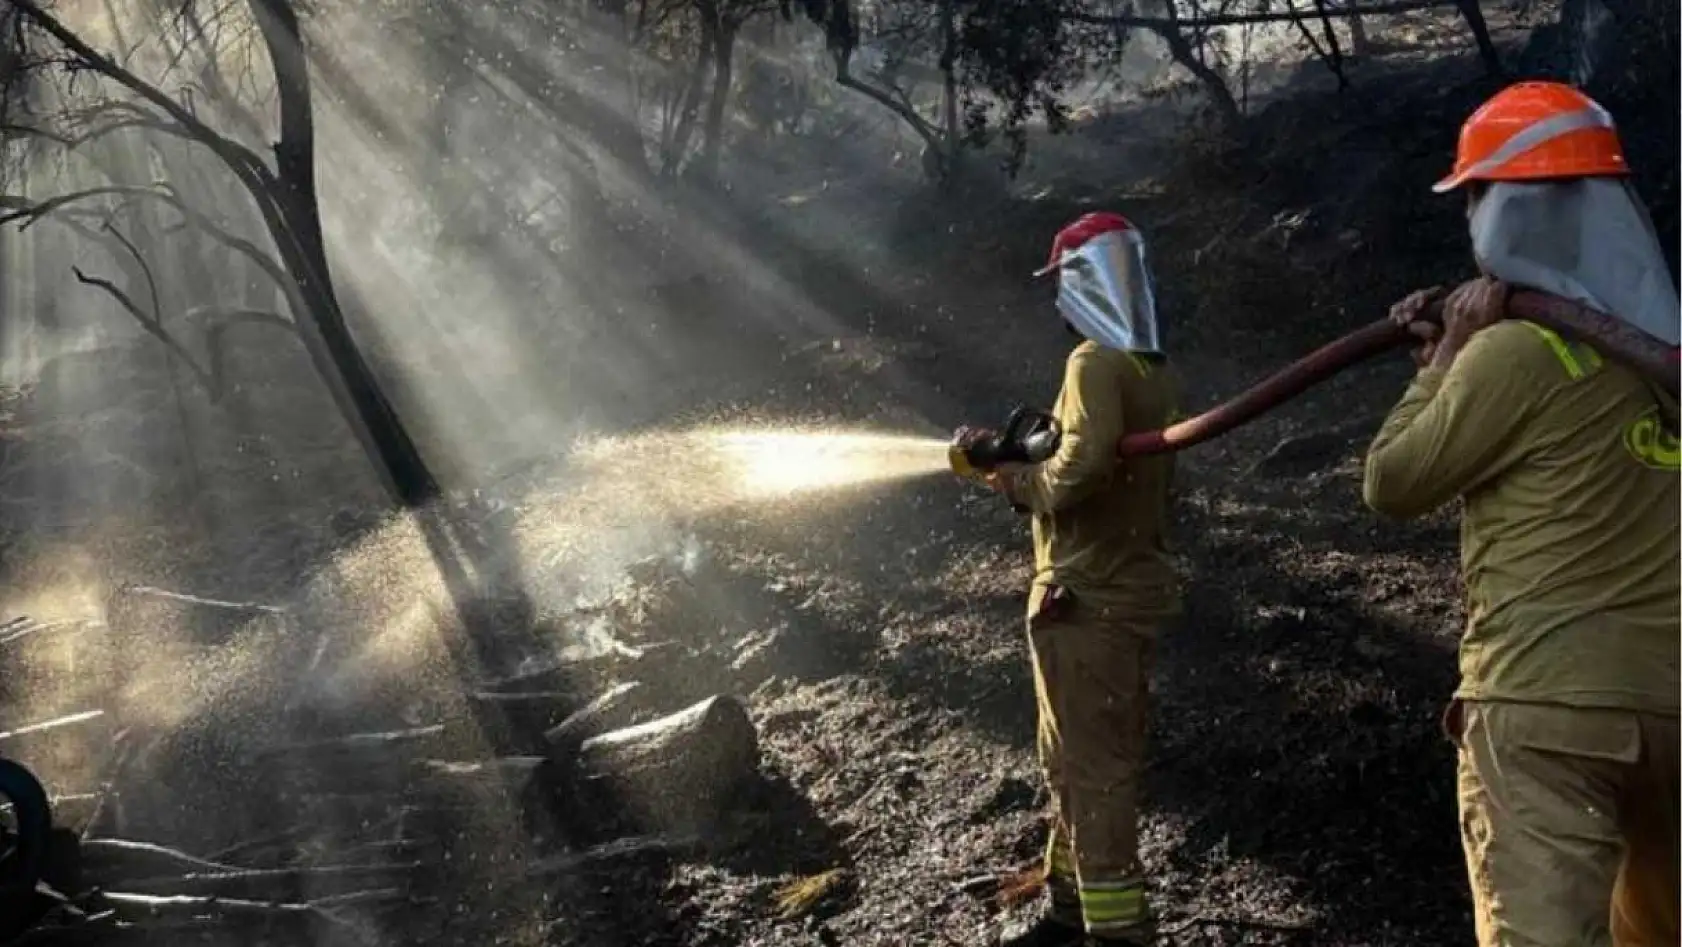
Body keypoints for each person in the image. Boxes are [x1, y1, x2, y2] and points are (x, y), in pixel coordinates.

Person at [1362, 80, 1680, 947]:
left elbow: (1392, 481)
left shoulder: (1514, 351)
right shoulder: (1656, 356)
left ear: (1509, 208)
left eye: (1476, 196)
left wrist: (1445, 364)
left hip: (1545, 707)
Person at [957, 212, 1182, 946]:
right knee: (1071, 760)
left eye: (1063, 284)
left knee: (1093, 771)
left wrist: (1017, 482)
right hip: (1108, 593)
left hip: (1087, 599)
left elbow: (1081, 465)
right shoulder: (1148, 367)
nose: (1058, 301)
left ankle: (1118, 931)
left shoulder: (1092, 362)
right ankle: (1065, 909)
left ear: (1085, 283)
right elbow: (1090, 451)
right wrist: (1013, 456)